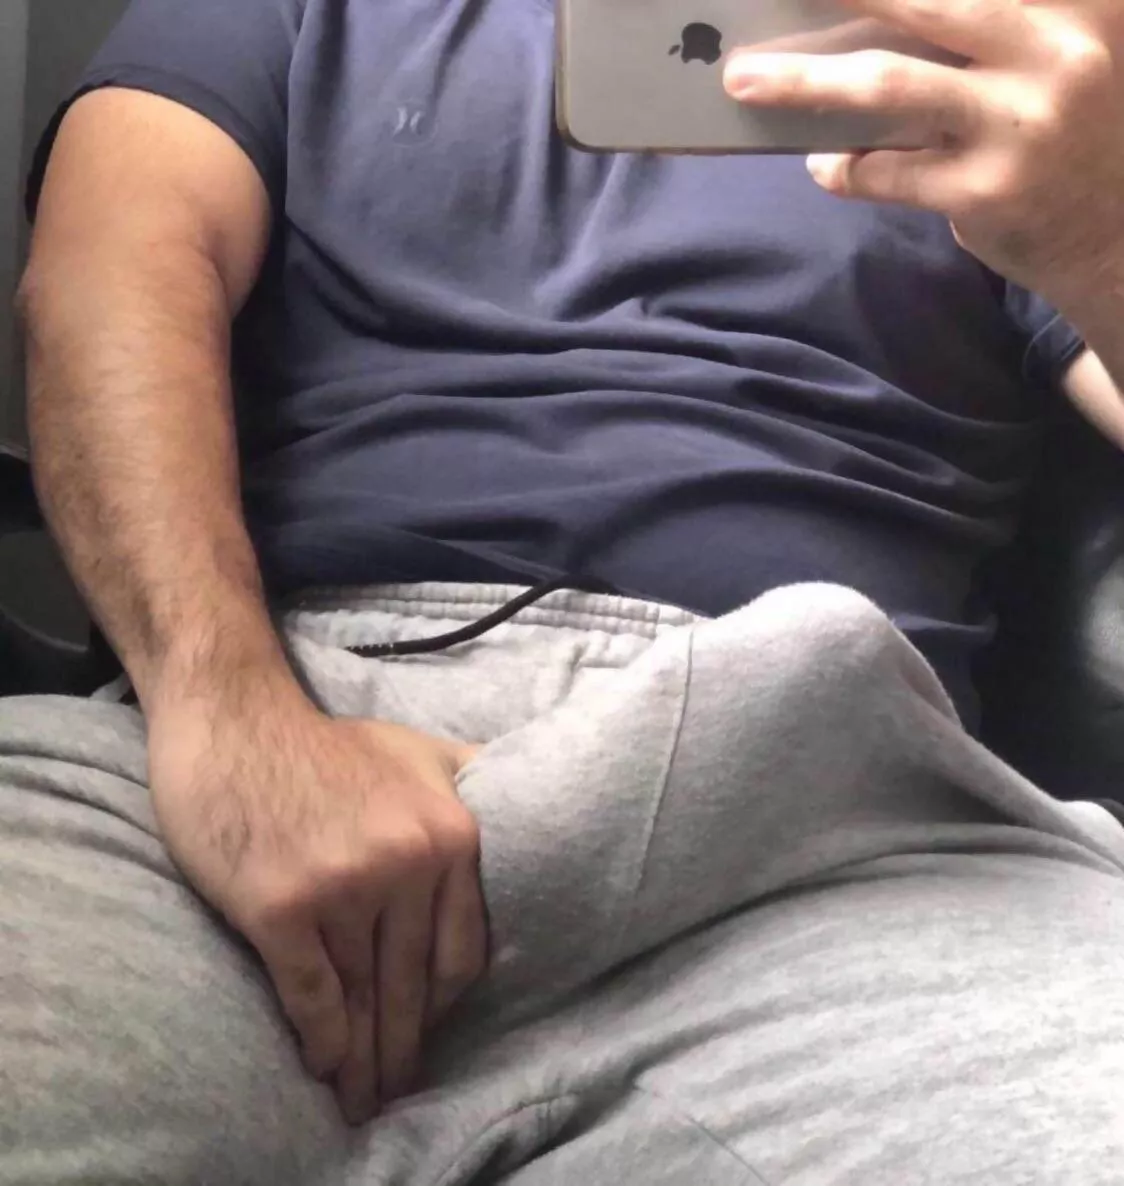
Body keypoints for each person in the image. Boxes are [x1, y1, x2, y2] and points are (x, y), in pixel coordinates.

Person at [4, 0, 1124, 1179]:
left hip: (837, 810)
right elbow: (103, 273)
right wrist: (226, 712)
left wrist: (1097, 232)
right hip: (301, 711)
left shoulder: (990, 67)